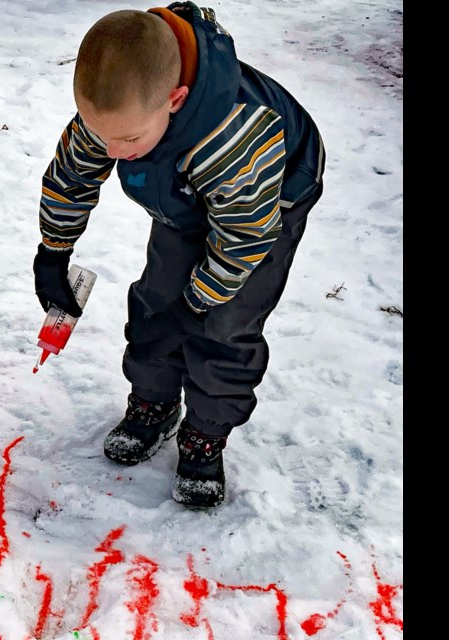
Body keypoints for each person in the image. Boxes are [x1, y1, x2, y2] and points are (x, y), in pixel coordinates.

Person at [32, 2, 325, 507]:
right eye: (100, 134)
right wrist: (53, 251)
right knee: (157, 299)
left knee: (225, 322)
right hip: (185, 196)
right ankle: (153, 403)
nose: (113, 150)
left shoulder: (233, 139)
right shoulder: (117, 109)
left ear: (175, 99)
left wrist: (195, 307)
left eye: (127, 140)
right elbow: (73, 174)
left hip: (262, 207)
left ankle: (206, 433)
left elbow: (243, 238)